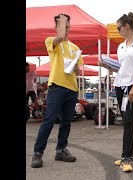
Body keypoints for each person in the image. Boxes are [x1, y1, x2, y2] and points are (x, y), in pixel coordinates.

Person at [31, 14, 83, 168]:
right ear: (56, 28)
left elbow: (78, 72)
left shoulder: (75, 48)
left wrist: (75, 67)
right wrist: (62, 22)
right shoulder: (52, 41)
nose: (65, 30)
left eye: (67, 26)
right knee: (49, 120)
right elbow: (60, 37)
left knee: (67, 122)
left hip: (72, 88)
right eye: (62, 26)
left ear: (70, 28)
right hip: (57, 87)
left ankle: (60, 150)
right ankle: (37, 153)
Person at [100, 12, 133, 172]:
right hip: (120, 85)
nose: (118, 30)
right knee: (126, 120)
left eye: (119, 28)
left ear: (127, 26)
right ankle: (132, 154)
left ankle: (125, 157)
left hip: (132, 86)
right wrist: (106, 65)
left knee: (128, 121)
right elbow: (121, 67)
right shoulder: (121, 46)